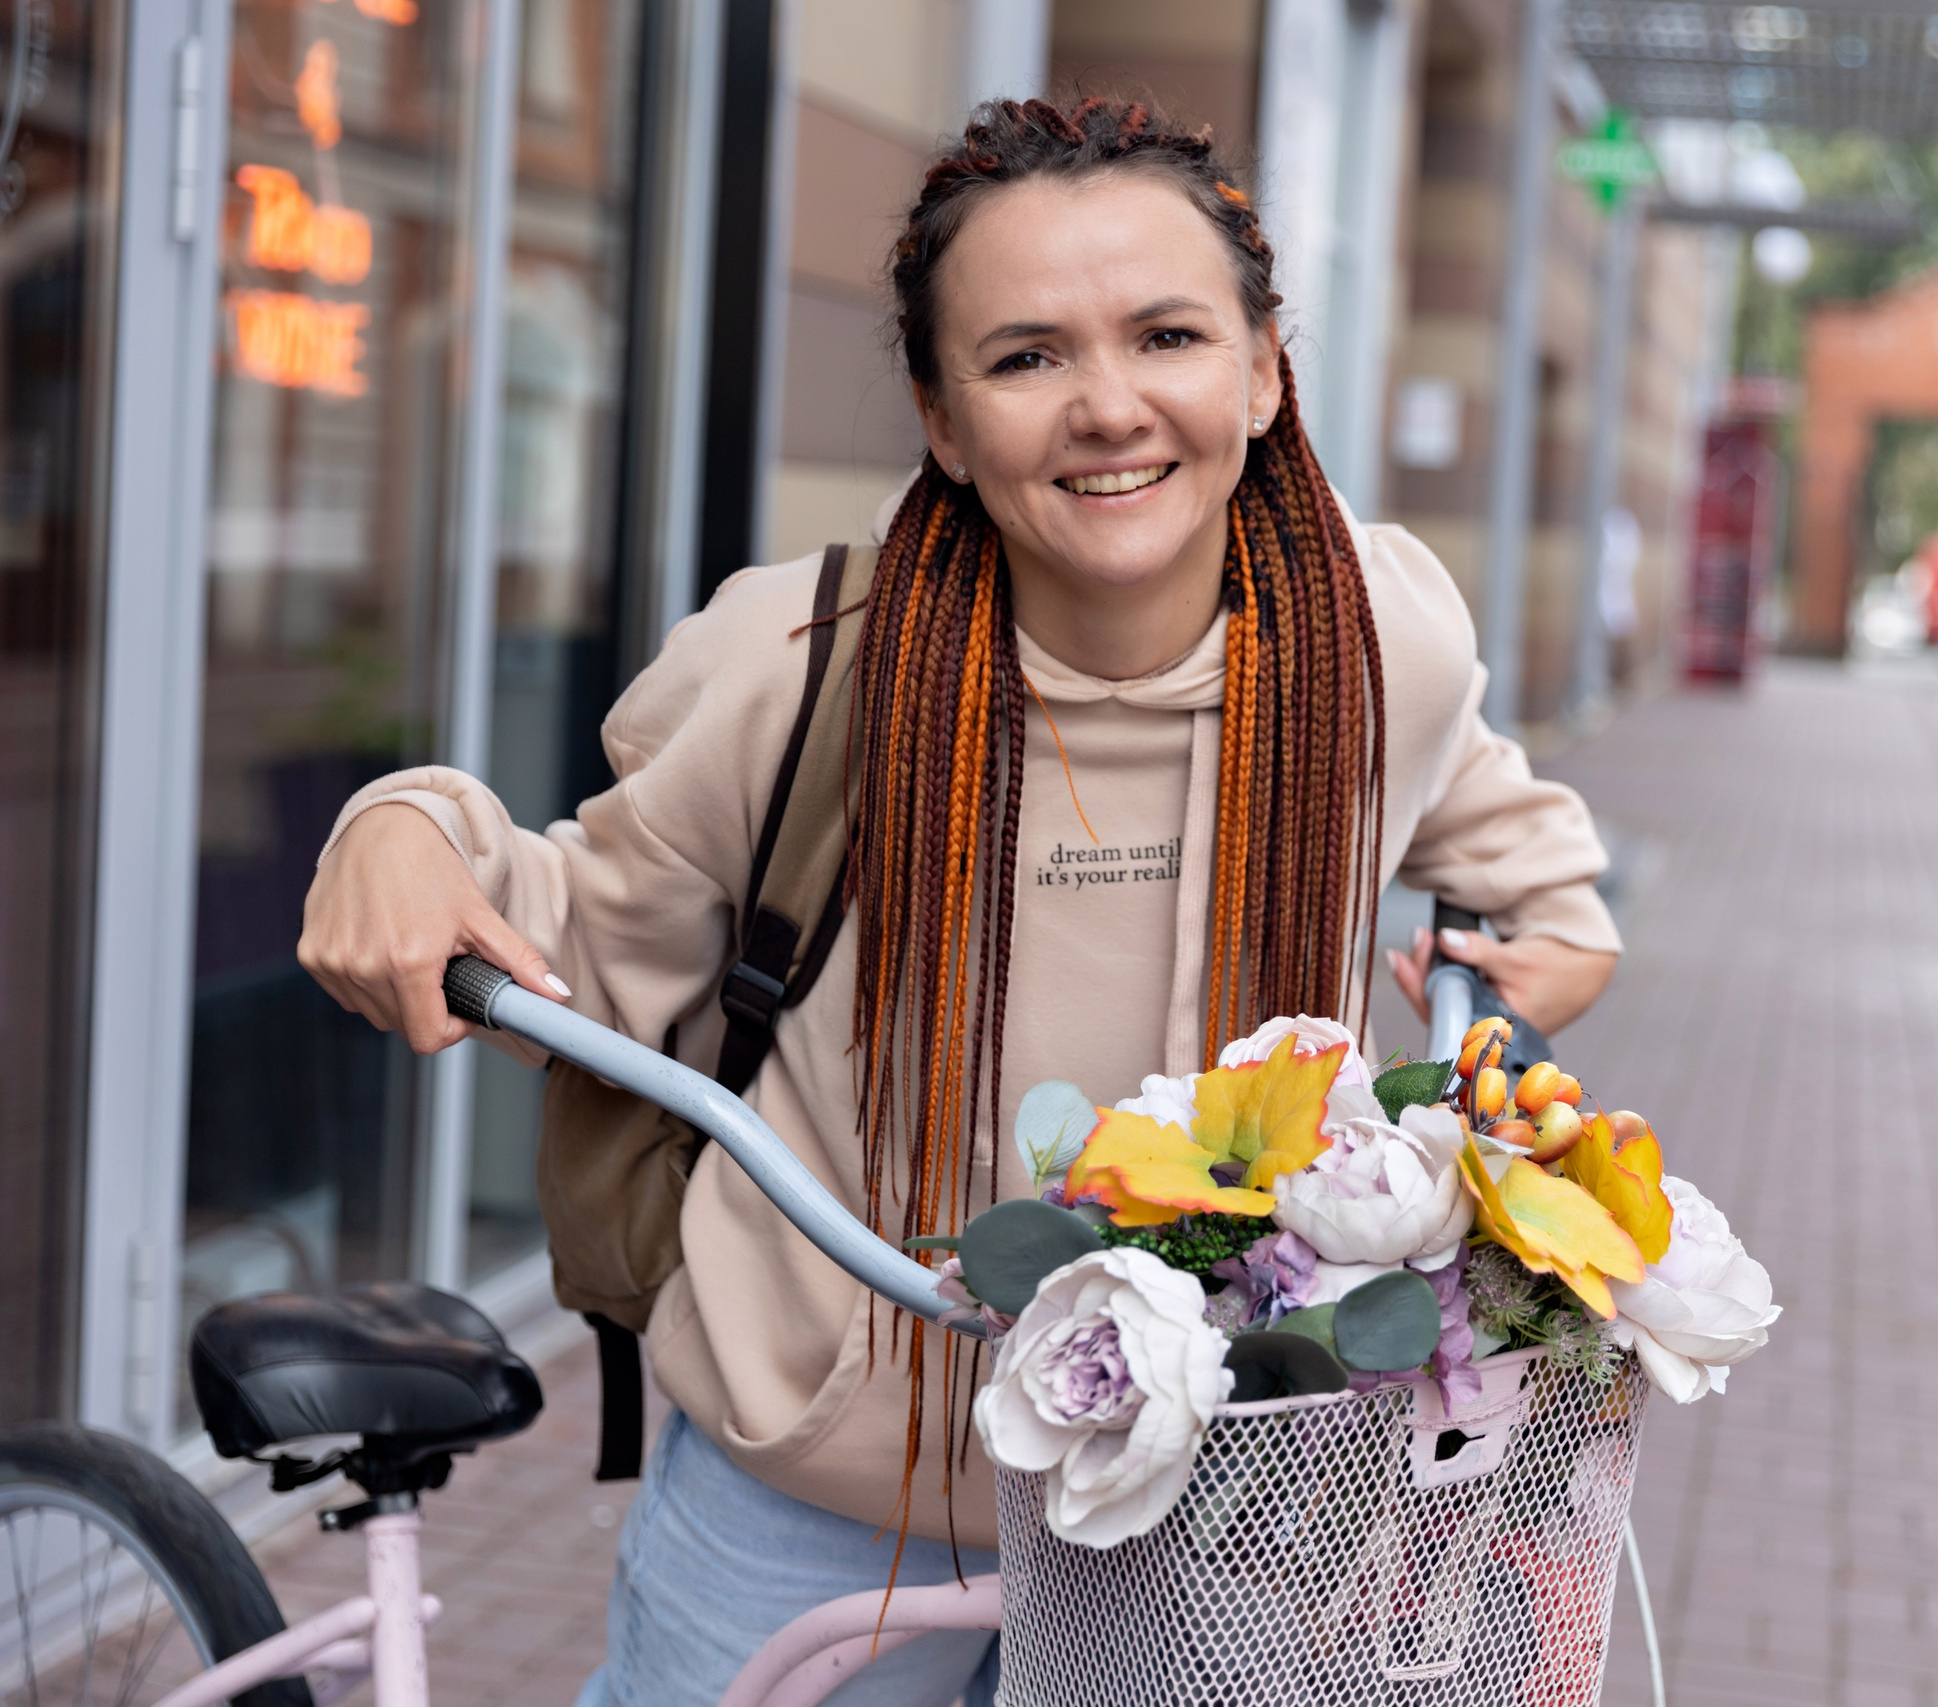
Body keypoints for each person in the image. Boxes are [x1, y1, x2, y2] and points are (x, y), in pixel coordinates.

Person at [298, 96, 1621, 1707]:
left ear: (1265, 370)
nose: (1109, 407)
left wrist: (1523, 979)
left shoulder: (1372, 642)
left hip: (1225, 1503)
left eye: (1169, 335)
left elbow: (1527, 861)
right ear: (940, 415)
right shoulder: (810, 670)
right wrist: (405, 821)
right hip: (833, 1507)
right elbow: (572, 932)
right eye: (1025, 358)